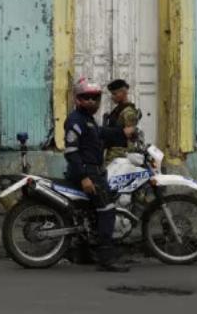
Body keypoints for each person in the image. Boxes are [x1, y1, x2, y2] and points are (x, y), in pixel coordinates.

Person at [65, 78, 137, 273]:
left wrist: (123, 133)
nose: (91, 102)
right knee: (107, 209)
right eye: (86, 97)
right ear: (78, 99)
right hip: (88, 172)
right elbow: (71, 152)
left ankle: (84, 253)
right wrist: (84, 177)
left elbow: (102, 133)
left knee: (89, 212)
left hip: (95, 170)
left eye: (95, 98)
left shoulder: (88, 120)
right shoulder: (75, 121)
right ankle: (106, 258)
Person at [103, 79, 141, 164]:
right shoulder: (118, 109)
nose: (112, 97)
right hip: (114, 150)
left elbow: (130, 134)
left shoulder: (128, 111)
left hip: (120, 153)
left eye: (114, 94)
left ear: (123, 93)